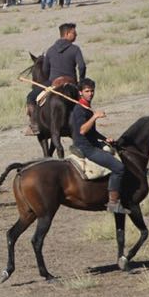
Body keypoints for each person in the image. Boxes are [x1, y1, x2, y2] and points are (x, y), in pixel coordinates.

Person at [69, 79, 126, 214]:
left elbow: (92, 132)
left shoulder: (86, 108)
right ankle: (113, 202)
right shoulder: (80, 110)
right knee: (119, 167)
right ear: (80, 93)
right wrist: (95, 117)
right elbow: (83, 130)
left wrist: (105, 139)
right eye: (87, 91)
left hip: (92, 142)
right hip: (86, 148)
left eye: (92, 91)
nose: (90, 94)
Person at [26, 23, 86, 134]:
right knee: (86, 96)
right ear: (67, 34)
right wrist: (81, 82)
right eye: (74, 32)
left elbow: (45, 71)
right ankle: (86, 123)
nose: (76, 34)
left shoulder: (50, 50)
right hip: (70, 82)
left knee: (31, 96)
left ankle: (34, 124)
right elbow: (82, 66)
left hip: (53, 82)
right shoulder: (75, 49)